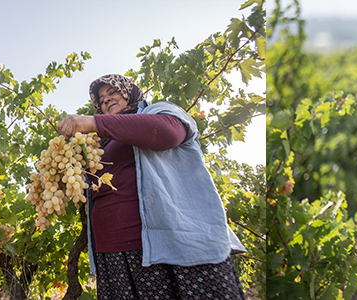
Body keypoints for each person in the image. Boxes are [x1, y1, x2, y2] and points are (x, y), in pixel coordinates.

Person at [58, 74, 247, 300]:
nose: (106, 100)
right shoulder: (99, 145)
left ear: (129, 93)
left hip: (169, 248)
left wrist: (94, 122)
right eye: (101, 98)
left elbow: (167, 133)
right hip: (113, 254)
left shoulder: (156, 112)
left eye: (112, 92)